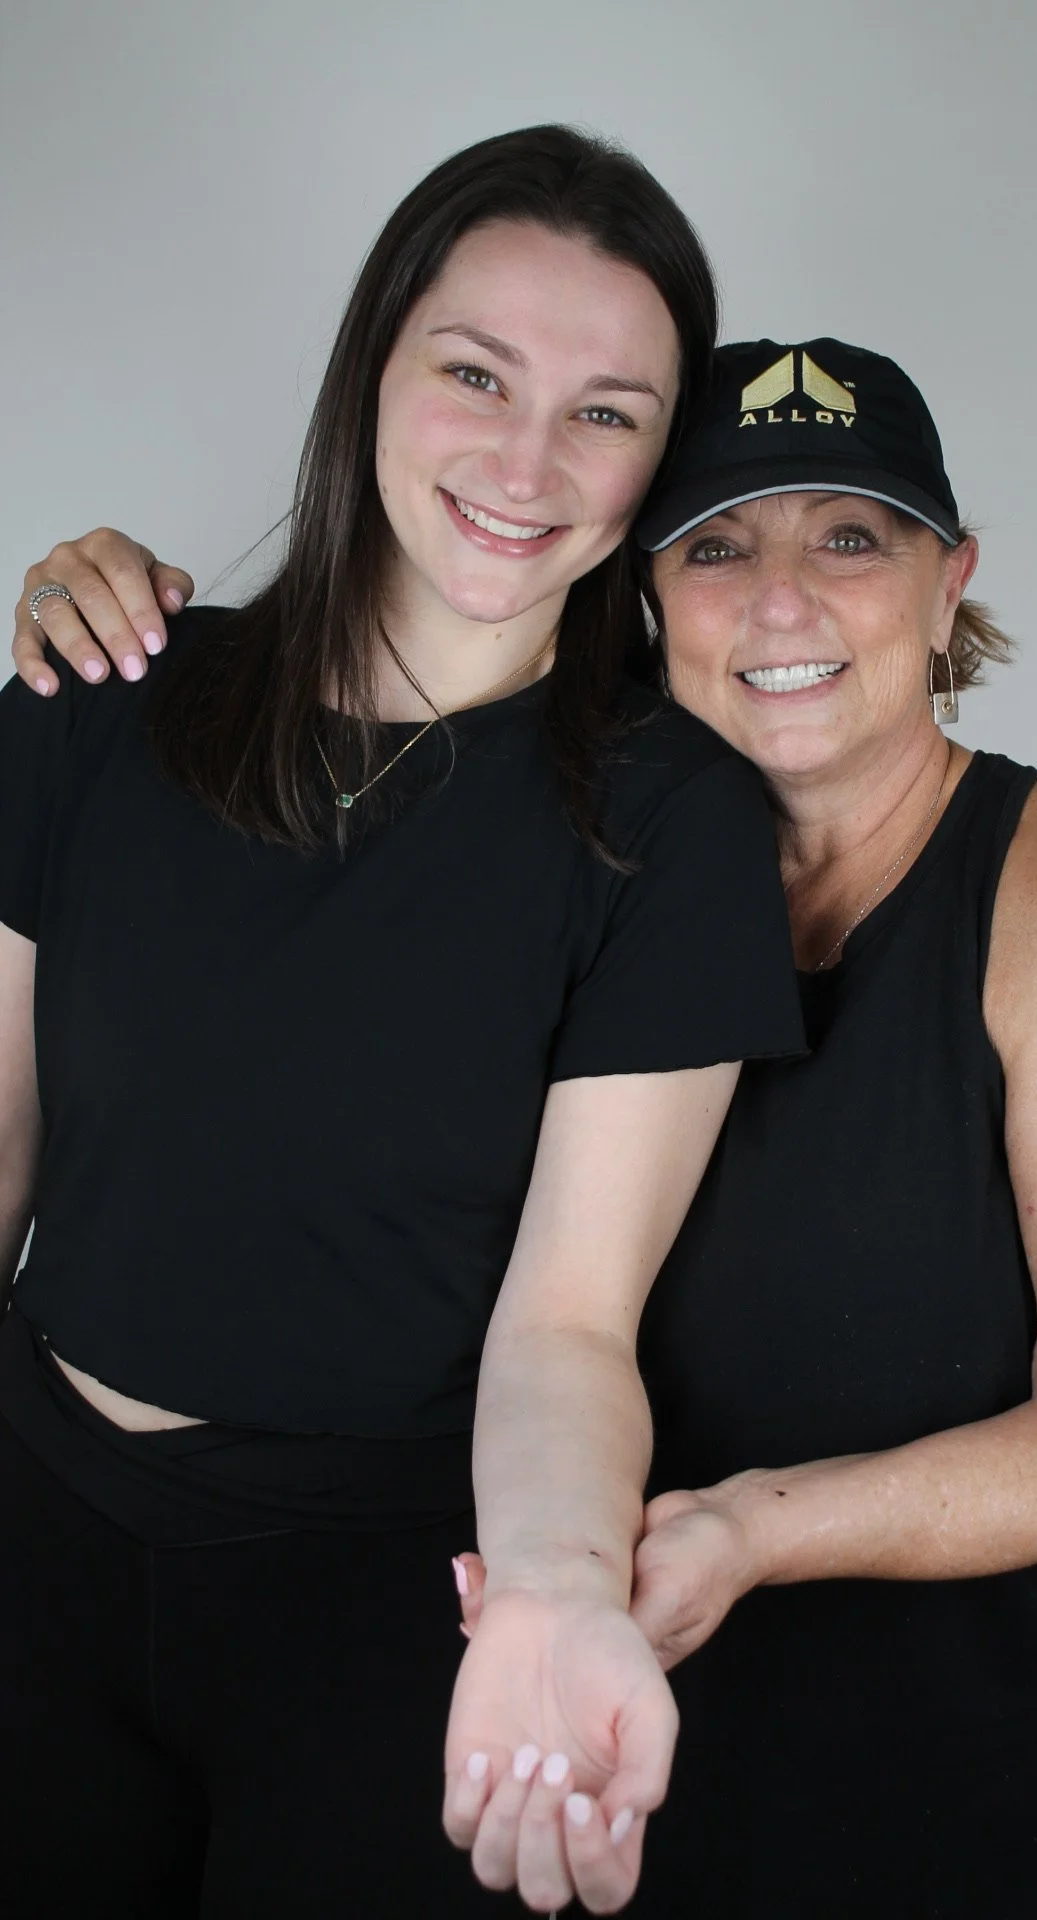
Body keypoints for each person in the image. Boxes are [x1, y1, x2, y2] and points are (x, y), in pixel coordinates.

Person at [13, 336, 1037, 1914]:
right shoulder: (570, 852)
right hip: (627, 1749)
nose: (782, 602)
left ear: (950, 586)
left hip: (1008, 1766)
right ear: (648, 592)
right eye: (718, 547)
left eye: (851, 539)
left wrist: (744, 1534)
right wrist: (115, 623)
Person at [0, 130, 810, 1920]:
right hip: (27, 1532)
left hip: (377, 1608)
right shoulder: (105, 700)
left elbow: (571, 1322)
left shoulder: (673, 825)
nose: (528, 464)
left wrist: (553, 1588)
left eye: (606, 413)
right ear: (374, 363)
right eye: (477, 375)